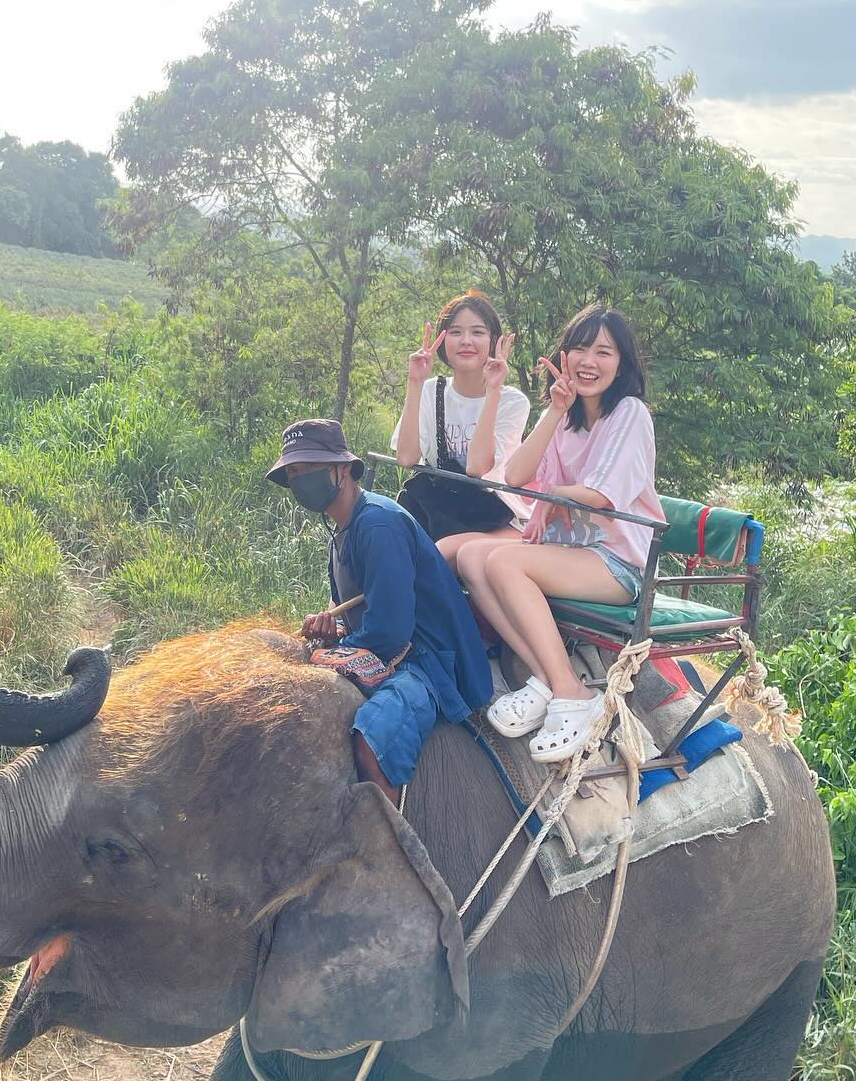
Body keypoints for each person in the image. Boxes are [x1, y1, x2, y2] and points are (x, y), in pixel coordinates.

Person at [456, 306, 664, 765]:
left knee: (503, 561)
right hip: (569, 554)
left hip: (615, 563)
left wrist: (553, 496)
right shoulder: (567, 418)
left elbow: (599, 495)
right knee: (472, 557)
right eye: (579, 349)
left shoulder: (629, 413)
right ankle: (547, 678)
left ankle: (573, 693)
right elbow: (516, 473)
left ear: (622, 362)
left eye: (603, 352)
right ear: (563, 357)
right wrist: (554, 410)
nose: (589, 361)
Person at [267, 418, 492, 805]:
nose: (300, 479)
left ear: (341, 468)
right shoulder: (341, 531)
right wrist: (336, 635)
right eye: (293, 473)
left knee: (372, 742)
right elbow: (367, 615)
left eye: (308, 469)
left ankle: (393, 844)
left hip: (426, 662)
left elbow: (390, 630)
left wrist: (335, 653)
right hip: (393, 649)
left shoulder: (377, 524)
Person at [390, 290, 531, 566]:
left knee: (436, 556)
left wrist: (493, 391)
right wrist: (415, 383)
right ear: (443, 341)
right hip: (437, 508)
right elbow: (406, 458)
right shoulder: (431, 392)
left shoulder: (513, 402)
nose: (466, 341)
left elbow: (478, 468)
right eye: (456, 332)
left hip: (493, 516)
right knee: (382, 543)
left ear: (493, 341)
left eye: (478, 332)